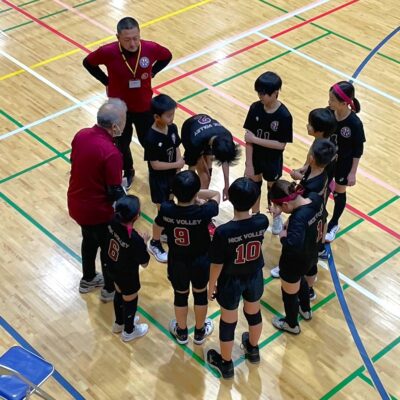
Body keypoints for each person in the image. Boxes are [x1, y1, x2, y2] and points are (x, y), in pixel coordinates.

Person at [83, 17, 172, 188]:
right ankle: (128, 170)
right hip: (119, 110)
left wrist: (153, 72)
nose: (132, 44)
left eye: (135, 38)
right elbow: (88, 63)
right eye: (127, 40)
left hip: (143, 107)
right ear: (118, 37)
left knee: (149, 141)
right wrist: (106, 81)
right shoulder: (108, 51)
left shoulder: (150, 48)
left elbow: (167, 56)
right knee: (121, 144)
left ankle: (155, 170)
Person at [207, 178, 269, 379]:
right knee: (254, 312)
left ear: (231, 199)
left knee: (228, 320)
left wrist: (211, 285)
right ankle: (253, 348)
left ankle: (226, 364)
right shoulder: (262, 221)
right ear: (255, 200)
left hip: (230, 280)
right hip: (254, 275)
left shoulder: (223, 232)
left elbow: (217, 264)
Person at [67, 98, 127, 302]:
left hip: (76, 202)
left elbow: (74, 161)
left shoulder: (81, 134)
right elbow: (113, 190)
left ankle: (88, 278)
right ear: (115, 125)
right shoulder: (111, 153)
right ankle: (109, 289)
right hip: (97, 211)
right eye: (124, 120)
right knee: (108, 247)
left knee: (89, 239)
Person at [153, 171, 220, 345]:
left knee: (180, 296)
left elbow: (157, 226)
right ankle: (199, 332)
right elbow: (215, 194)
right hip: (200, 261)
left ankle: (182, 332)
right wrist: (196, 195)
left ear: (174, 192)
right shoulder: (205, 211)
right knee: (200, 295)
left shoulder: (166, 209)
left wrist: (155, 241)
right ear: (196, 191)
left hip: (177, 261)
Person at [270, 139, 337, 301]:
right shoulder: (318, 172)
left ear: (312, 158)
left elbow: (298, 201)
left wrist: (281, 211)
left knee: (303, 252)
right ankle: (309, 289)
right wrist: (301, 174)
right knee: (312, 257)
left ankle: (303, 284)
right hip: (316, 215)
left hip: (308, 217)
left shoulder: (314, 185)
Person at [269, 180, 324, 334]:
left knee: (289, 294)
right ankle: (305, 310)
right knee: (303, 281)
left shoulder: (297, 219)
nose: (280, 210)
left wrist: (282, 236)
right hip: (312, 253)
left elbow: (292, 245)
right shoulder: (315, 199)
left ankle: (291, 324)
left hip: (293, 263)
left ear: (285, 205)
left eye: (280, 208)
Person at [243, 71, 293, 234]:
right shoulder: (255, 108)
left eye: (263, 93)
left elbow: (280, 145)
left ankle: (276, 215)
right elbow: (248, 138)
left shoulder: (284, 115)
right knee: (254, 185)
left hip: (272, 160)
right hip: (255, 158)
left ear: (275, 92)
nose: (260, 96)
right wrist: (248, 164)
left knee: (273, 189)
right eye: (258, 92)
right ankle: (255, 215)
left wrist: (255, 139)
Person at [145, 94, 184, 263]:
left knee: (170, 204)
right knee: (163, 212)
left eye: (173, 114)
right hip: (159, 181)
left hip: (172, 176)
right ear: (156, 117)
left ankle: (166, 232)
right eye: (168, 115)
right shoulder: (151, 138)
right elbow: (155, 165)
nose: (172, 118)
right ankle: (154, 243)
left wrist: (178, 165)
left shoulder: (172, 128)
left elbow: (176, 147)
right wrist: (176, 164)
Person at [325, 81, 366, 242]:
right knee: (323, 188)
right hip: (327, 160)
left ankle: (334, 223)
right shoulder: (328, 113)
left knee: (339, 192)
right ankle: (321, 217)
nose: (329, 102)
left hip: (344, 164)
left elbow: (358, 151)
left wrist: (353, 173)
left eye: (332, 100)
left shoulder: (354, 123)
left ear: (344, 103)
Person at [106, 195, 150, 342]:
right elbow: (144, 263)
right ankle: (129, 331)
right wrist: (144, 242)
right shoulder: (135, 239)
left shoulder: (112, 221)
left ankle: (119, 323)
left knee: (119, 292)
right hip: (127, 274)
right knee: (130, 299)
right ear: (137, 215)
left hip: (112, 266)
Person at [181, 114, 240, 201]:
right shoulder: (195, 143)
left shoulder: (227, 136)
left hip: (206, 132)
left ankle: (201, 197)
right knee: (205, 178)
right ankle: (196, 202)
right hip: (189, 131)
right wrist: (190, 195)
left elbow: (225, 159)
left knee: (208, 172)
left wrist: (227, 185)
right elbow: (191, 171)